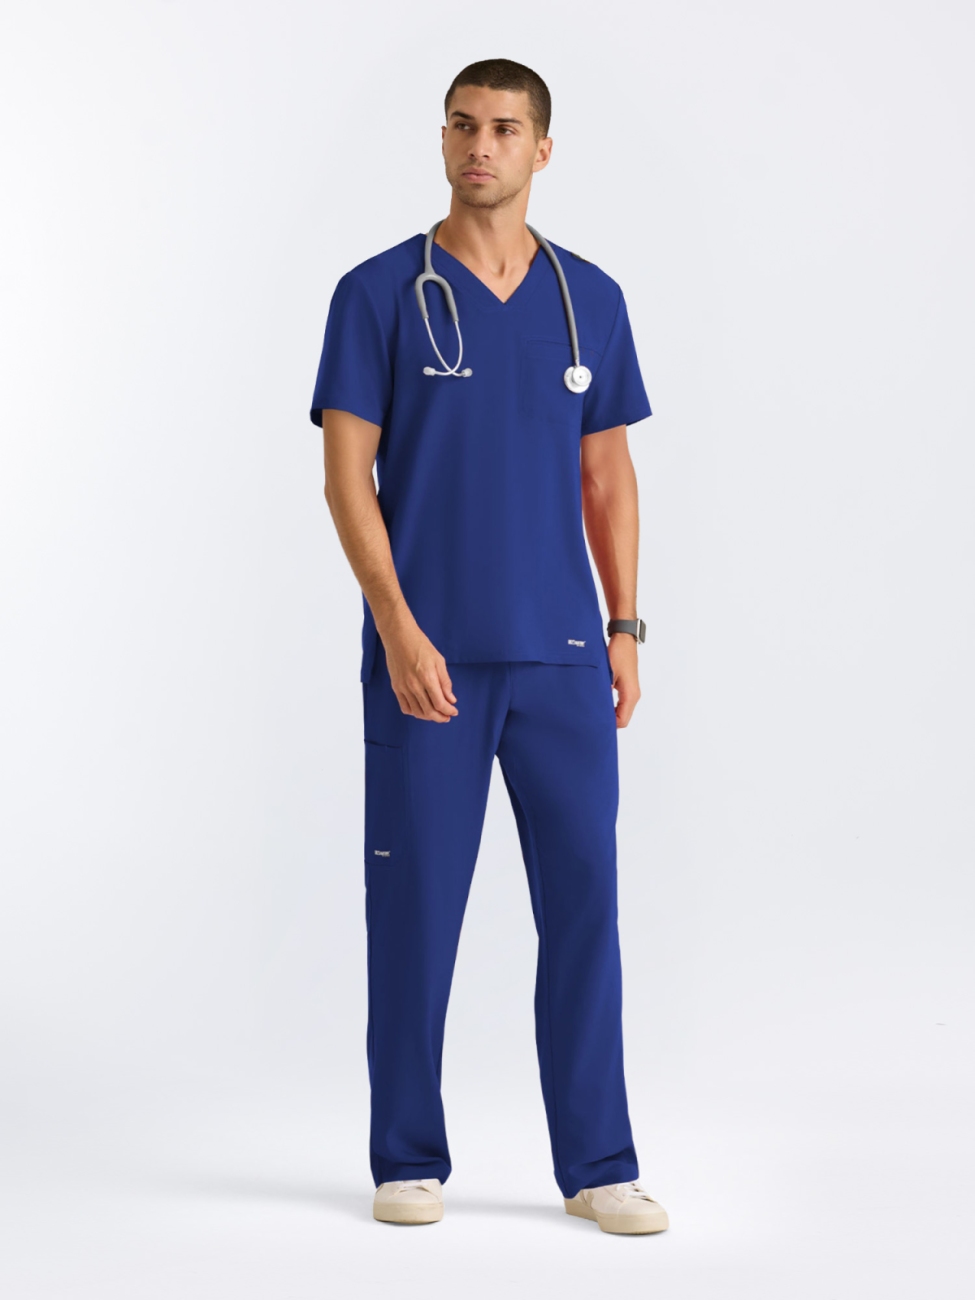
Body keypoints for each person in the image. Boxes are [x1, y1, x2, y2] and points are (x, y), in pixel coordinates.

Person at [308, 57, 668, 1236]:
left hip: (563, 657)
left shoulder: (588, 299)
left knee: (587, 910)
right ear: (443, 139)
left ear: (541, 150)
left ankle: (600, 1163)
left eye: (506, 129)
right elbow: (345, 479)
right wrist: (397, 625)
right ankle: (408, 1154)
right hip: (431, 663)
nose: (481, 146)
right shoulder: (378, 294)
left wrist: (624, 625)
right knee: (415, 914)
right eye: (464, 125)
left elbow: (607, 475)